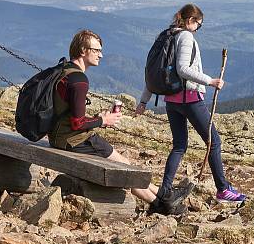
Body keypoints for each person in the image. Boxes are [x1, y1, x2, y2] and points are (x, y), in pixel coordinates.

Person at [50, 29, 192, 215]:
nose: (101, 54)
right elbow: (77, 123)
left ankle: (161, 199)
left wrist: (97, 118)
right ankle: (164, 198)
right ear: (84, 51)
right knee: (124, 166)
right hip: (75, 140)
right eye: (97, 50)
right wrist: (103, 120)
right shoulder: (79, 81)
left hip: (59, 136)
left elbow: (69, 114)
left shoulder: (65, 70)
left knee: (124, 165)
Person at [136, 4, 247, 204]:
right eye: (198, 24)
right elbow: (183, 69)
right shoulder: (186, 37)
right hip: (190, 98)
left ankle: (165, 189)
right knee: (214, 142)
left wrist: (143, 101)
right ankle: (222, 190)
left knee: (179, 146)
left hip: (171, 100)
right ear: (190, 20)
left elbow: (154, 72)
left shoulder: (165, 35)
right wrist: (210, 81)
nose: (198, 29)